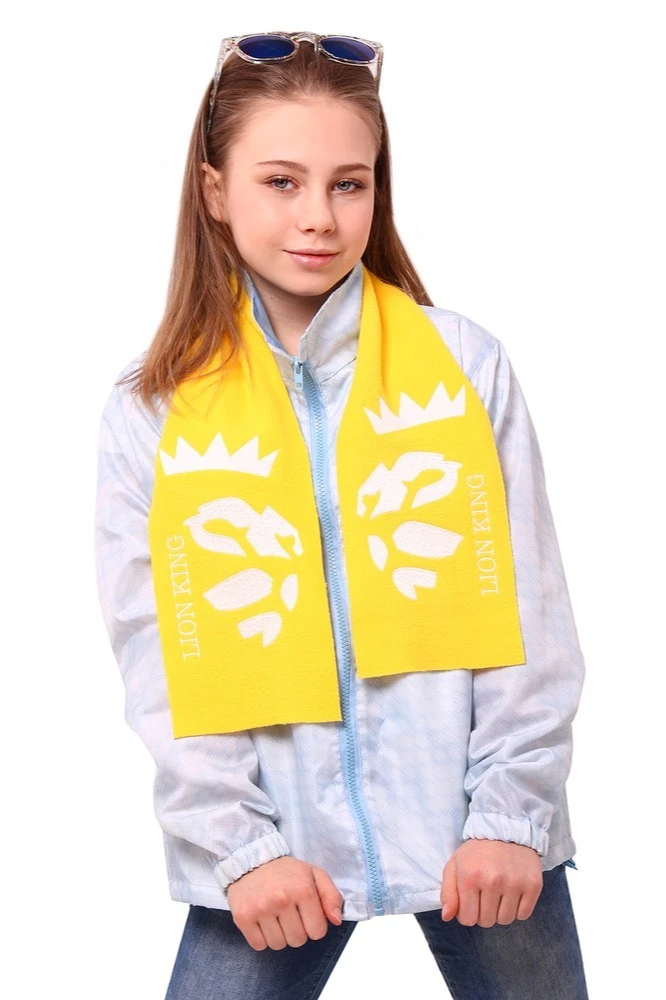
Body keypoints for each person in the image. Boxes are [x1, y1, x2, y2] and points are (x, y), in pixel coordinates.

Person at [94, 30, 589, 1000]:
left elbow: (532, 615)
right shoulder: (152, 409)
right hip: (279, 859)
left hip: (481, 844)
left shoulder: (463, 367)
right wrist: (240, 850)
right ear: (214, 190)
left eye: (348, 183)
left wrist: (510, 816)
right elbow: (158, 658)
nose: (319, 216)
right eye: (281, 181)